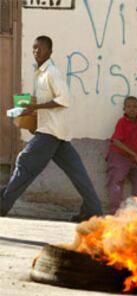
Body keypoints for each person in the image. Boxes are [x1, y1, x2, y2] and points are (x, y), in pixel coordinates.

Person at [0, 35, 103, 222]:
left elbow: (64, 99)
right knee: (77, 173)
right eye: (34, 48)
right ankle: (94, 210)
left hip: (50, 132)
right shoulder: (40, 73)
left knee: (24, 162)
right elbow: (43, 104)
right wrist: (32, 119)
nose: (36, 52)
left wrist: (36, 108)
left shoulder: (51, 73)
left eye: (40, 48)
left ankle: (3, 205)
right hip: (55, 133)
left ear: (50, 51)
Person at [106, 96, 137, 214]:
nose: (132, 109)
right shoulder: (122, 122)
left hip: (133, 158)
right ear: (124, 109)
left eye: (135, 106)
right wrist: (135, 155)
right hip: (118, 155)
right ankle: (115, 212)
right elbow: (116, 141)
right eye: (128, 107)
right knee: (116, 180)